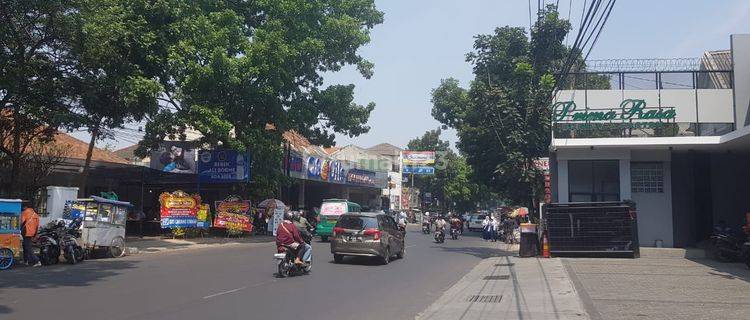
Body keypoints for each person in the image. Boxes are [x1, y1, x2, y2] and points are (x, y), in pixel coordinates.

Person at [20, 201, 41, 267]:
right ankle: (26, 260)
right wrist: (35, 234)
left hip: (26, 232)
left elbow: (21, 222)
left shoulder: (25, 212)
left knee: (28, 247)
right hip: (32, 232)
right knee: (25, 245)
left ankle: (37, 261)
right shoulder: (35, 214)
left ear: (25, 207)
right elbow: (37, 225)